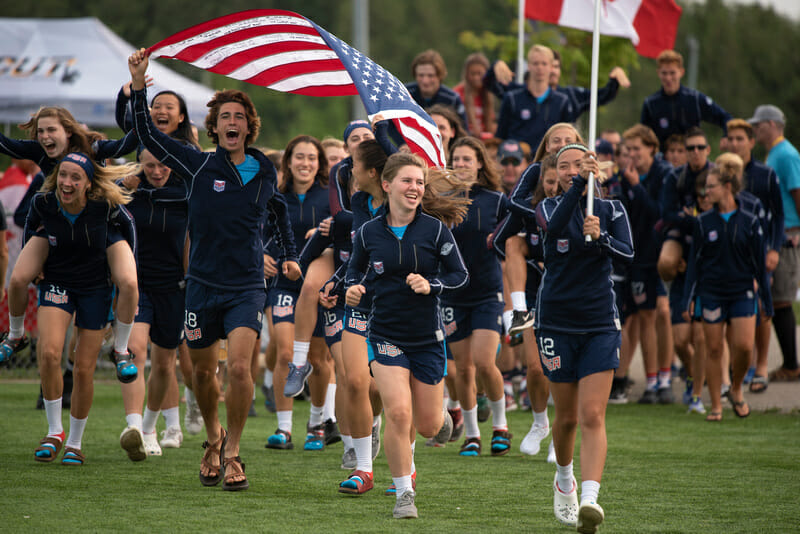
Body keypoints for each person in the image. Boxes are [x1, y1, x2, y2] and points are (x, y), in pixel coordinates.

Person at [129, 49, 300, 491]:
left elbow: (279, 211)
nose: (231, 122)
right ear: (215, 125)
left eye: (238, 116)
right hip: (201, 284)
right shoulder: (197, 162)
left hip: (246, 285)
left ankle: (235, 451)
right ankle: (212, 438)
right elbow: (146, 130)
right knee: (203, 375)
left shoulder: (264, 170)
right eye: (224, 115)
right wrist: (137, 84)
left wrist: (289, 253)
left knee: (240, 370)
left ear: (248, 125)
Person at [344, 152, 471, 519]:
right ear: (387, 185)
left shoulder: (434, 230)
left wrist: (430, 284)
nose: (415, 187)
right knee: (398, 413)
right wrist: (353, 290)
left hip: (428, 338)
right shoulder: (368, 232)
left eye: (419, 182)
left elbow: (459, 276)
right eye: (407, 181)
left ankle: (442, 418)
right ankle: (404, 495)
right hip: (384, 334)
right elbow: (355, 272)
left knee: (429, 424)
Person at [0, 107, 140, 380]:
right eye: (40, 131)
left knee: (128, 282)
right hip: (57, 226)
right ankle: (15, 335)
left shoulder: (92, 148)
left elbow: (130, 142)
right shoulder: (40, 152)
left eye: (51, 130)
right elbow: (5, 145)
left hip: (98, 226)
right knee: (17, 279)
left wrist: (132, 95)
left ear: (68, 130)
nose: (44, 136)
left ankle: (121, 349)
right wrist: (37, 259)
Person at [536, 143, 633, 532]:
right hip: (556, 323)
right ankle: (564, 479)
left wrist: (602, 237)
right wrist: (577, 187)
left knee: (593, 414)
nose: (572, 170)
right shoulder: (547, 207)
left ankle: (591, 499)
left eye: (580, 164)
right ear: (556, 173)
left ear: (595, 167)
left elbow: (628, 254)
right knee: (568, 418)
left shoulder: (611, 209)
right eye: (564, 166)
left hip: (598, 324)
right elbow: (556, 226)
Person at [19, 153, 138, 465]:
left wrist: (121, 268)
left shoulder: (104, 207)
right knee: (48, 353)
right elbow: (29, 228)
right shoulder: (44, 202)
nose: (67, 183)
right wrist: (36, 263)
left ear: (88, 184)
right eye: (63, 175)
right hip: (58, 283)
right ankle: (54, 431)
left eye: (75, 178)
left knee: (83, 368)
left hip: (95, 288)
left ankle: (75, 442)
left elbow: (129, 230)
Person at [682, 154, 772, 421]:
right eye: (705, 187)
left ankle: (735, 388)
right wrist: (688, 298)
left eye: (711, 186)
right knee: (713, 349)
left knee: (744, 347)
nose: (706, 192)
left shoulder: (749, 220)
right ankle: (716, 406)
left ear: (727, 187)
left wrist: (765, 299)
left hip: (742, 290)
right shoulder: (702, 222)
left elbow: (759, 264)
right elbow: (694, 265)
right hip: (711, 293)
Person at [443, 137, 510, 457]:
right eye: (456, 159)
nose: (461, 164)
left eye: (468, 159)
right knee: (462, 369)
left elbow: (512, 245)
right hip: (453, 295)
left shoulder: (496, 200)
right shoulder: (441, 199)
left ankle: (500, 427)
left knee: (485, 362)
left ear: (480, 163)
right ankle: (472, 434)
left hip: (487, 293)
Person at [265, 135, 332, 452]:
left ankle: (317, 424)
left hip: (319, 291)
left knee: (319, 359)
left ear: (320, 164)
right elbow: (256, 234)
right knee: (285, 353)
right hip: (282, 285)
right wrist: (261, 256)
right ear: (288, 162)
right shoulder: (273, 196)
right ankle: (283, 428)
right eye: (299, 157)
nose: (305, 163)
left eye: (311, 158)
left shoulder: (330, 198)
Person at [122, 148, 189, 457]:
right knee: (134, 350)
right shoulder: (130, 193)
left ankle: (150, 428)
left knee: (163, 364)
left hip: (174, 288)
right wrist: (124, 186)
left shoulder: (185, 194)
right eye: (149, 165)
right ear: (140, 166)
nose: (156, 171)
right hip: (137, 286)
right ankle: (133, 427)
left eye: (162, 164)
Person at [726, 118, 784, 392]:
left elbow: (778, 215)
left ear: (751, 142)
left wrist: (774, 248)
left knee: (761, 305)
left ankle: (761, 365)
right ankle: (739, 366)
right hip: (732, 253)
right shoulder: (723, 172)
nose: (735, 143)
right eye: (731, 138)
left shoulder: (765, 174)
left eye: (741, 139)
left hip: (760, 250)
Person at [619, 124, 674, 404]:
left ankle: (666, 377)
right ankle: (652, 382)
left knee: (663, 313)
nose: (631, 154)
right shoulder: (621, 178)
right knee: (646, 316)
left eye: (636, 149)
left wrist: (637, 187)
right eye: (627, 149)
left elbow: (660, 214)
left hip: (661, 254)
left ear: (651, 148)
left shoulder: (664, 175)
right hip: (637, 258)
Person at [748, 105, 800, 382]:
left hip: (789, 234)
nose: (756, 129)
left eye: (759, 125)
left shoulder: (787, 154)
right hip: (777, 233)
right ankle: (790, 362)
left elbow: (797, 191)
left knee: (780, 300)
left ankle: (792, 364)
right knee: (775, 300)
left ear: (772, 124)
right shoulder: (775, 153)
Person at [641, 50, 732, 152]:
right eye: (664, 73)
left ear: (681, 72)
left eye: (672, 73)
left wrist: (726, 136)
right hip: (663, 160)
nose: (668, 78)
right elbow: (642, 137)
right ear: (658, 73)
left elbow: (725, 117)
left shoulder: (694, 99)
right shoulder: (651, 104)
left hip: (692, 158)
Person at [495, 45, 572, 152]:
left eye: (544, 63)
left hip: (548, 163)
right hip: (517, 162)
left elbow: (569, 139)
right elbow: (500, 137)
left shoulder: (562, 101)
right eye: (535, 63)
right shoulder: (512, 99)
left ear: (551, 67)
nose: (539, 67)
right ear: (529, 66)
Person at [406, 49, 467, 129]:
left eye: (430, 76)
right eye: (421, 75)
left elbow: (463, 131)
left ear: (440, 76)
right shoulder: (405, 93)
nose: (425, 81)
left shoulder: (452, 99)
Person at [453, 53, 496, 137]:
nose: (476, 78)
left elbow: (491, 124)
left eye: (479, 73)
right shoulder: (457, 94)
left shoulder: (488, 93)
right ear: (466, 75)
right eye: (473, 74)